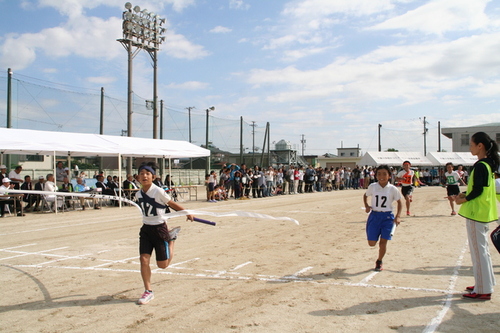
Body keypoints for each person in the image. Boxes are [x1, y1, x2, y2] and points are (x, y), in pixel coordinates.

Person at [135, 162, 194, 305]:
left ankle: (172, 239)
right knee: (144, 259)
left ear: (153, 177)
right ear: (138, 177)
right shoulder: (138, 193)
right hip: (146, 230)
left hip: (160, 229)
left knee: (163, 265)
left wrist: (187, 212)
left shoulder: (158, 191)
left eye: (147, 174)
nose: (144, 176)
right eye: (142, 174)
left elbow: (171, 204)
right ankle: (148, 291)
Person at [455, 132, 499, 300]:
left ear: (480, 146)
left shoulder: (481, 165)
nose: (470, 147)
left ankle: (483, 289)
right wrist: (463, 194)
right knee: (482, 251)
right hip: (483, 212)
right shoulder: (488, 164)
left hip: (477, 212)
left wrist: (463, 199)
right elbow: (478, 187)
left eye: (472, 144)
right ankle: (485, 283)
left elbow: (479, 190)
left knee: (478, 252)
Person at [363, 165, 402, 271]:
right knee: (371, 243)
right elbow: (365, 195)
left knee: (383, 242)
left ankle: (379, 261)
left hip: (387, 217)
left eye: (384, 174)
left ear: (389, 176)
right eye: (379, 174)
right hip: (374, 216)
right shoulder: (373, 186)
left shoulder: (393, 189)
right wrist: (367, 206)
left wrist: (398, 216)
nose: (382, 176)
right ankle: (378, 256)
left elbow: (399, 202)